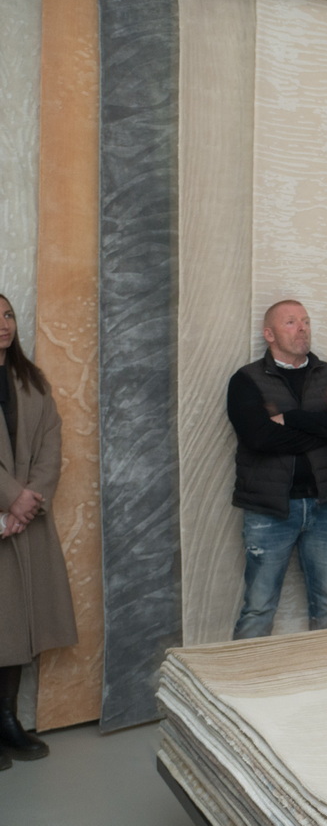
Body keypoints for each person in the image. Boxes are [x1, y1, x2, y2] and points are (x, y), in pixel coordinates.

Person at [226, 299, 327, 638]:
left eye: (305, 321)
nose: (302, 328)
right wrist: (325, 428)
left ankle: (326, 671)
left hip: (325, 505)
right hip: (269, 510)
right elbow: (260, 437)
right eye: (290, 322)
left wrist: (290, 419)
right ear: (269, 334)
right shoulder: (247, 380)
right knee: (259, 607)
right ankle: (246, 672)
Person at [0, 296, 76, 767]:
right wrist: (12, 496)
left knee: (18, 625)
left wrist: (29, 500)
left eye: (8, 315)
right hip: (7, 512)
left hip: (23, 524)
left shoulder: (31, 379)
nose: (3, 324)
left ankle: (7, 719)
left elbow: (51, 440)